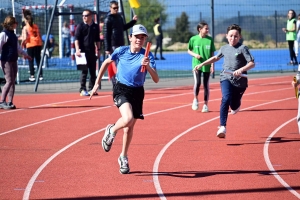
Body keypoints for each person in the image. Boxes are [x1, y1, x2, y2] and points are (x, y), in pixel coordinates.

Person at [89, 24, 159, 174]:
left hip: (138, 91)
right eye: (137, 36)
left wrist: (148, 67)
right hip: (121, 89)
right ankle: (111, 130)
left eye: (142, 37)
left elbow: (156, 79)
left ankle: (123, 157)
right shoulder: (121, 51)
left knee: (129, 128)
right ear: (130, 37)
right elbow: (105, 63)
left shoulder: (147, 56)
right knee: (127, 119)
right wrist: (96, 83)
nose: (139, 39)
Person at [194, 24, 255, 138]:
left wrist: (241, 70)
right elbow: (216, 58)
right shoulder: (224, 48)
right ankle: (222, 127)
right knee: (225, 98)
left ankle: (236, 105)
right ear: (227, 36)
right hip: (226, 77)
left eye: (236, 36)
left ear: (239, 37)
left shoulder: (243, 48)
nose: (233, 38)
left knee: (234, 105)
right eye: (231, 36)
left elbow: (252, 63)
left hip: (240, 82)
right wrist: (202, 64)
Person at [0, 16, 31, 109]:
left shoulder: (13, 35)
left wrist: (25, 54)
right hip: (6, 60)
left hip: (14, 60)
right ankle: (2, 101)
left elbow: (18, 48)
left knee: (12, 82)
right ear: (10, 24)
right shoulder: (3, 34)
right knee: (9, 81)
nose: (16, 24)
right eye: (15, 22)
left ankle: (10, 102)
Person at [104, 0, 138, 85]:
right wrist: (107, 48)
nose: (116, 9)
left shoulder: (119, 17)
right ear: (110, 8)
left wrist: (133, 21)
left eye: (117, 8)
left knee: (122, 63)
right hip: (113, 45)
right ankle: (115, 84)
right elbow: (106, 34)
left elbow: (123, 27)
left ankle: (121, 82)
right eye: (114, 8)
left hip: (121, 43)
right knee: (114, 64)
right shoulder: (108, 19)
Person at [188, 22, 216, 112]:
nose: (207, 30)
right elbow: (189, 50)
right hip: (196, 65)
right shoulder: (193, 39)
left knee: (206, 85)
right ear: (200, 29)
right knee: (198, 82)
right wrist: (195, 55)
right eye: (206, 28)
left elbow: (212, 54)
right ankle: (195, 99)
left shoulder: (210, 40)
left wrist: (212, 65)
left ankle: (205, 105)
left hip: (207, 66)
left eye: (208, 29)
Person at [75, 9, 101, 96]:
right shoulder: (80, 26)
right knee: (84, 71)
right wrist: (77, 49)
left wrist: (99, 50)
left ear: (91, 16)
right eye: (83, 16)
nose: (84, 17)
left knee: (93, 72)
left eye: (86, 15)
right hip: (82, 53)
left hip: (92, 52)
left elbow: (97, 39)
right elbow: (76, 39)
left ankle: (91, 89)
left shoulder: (95, 26)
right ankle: (82, 89)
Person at [22, 15, 43, 81]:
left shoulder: (25, 27)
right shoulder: (36, 26)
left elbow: (25, 37)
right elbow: (39, 35)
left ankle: (32, 75)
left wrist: (22, 43)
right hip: (38, 44)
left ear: (26, 20)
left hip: (30, 45)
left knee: (31, 60)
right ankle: (40, 75)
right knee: (38, 60)